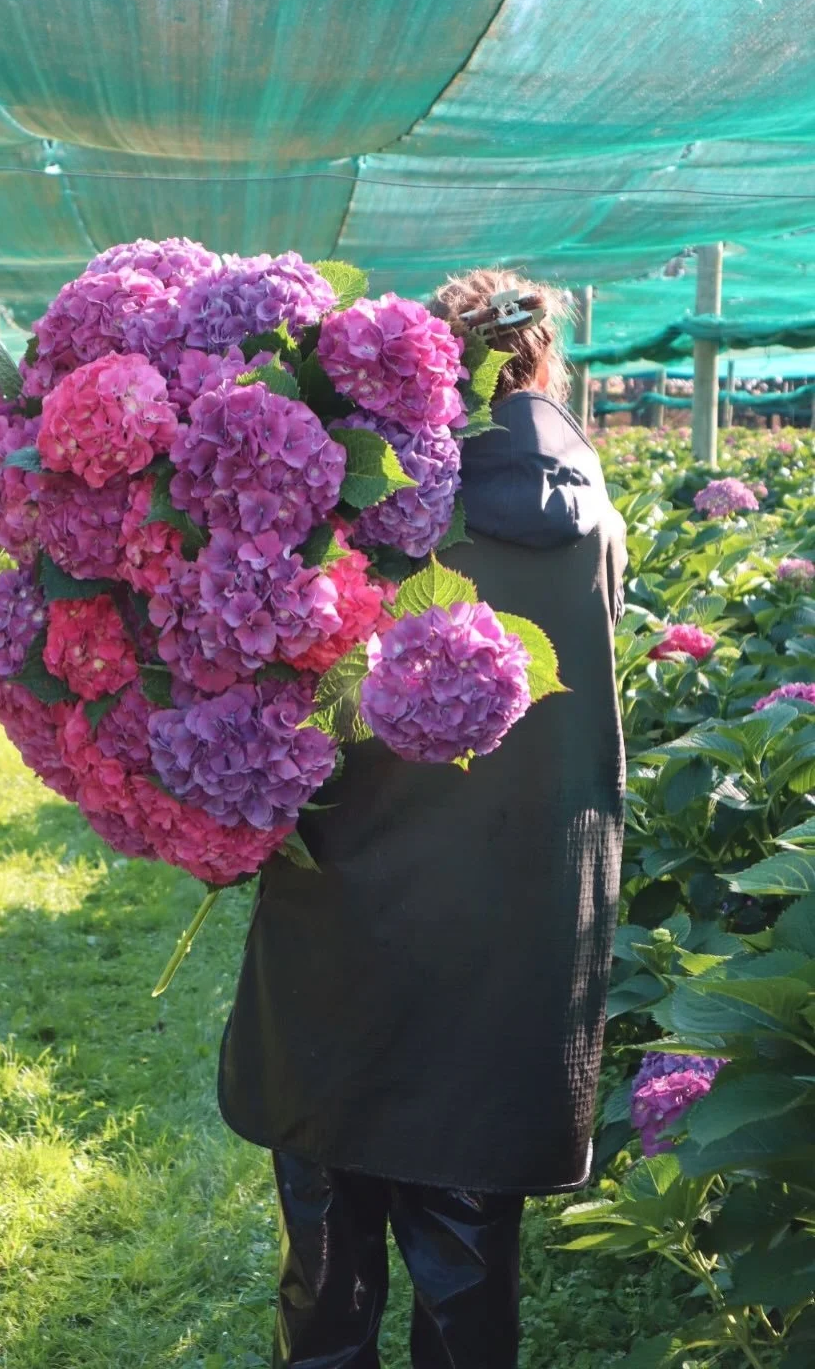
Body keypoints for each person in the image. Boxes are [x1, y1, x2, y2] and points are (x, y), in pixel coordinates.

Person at [217, 268, 628, 1368]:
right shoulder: (592, 505)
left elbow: (286, 668)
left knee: (329, 1233)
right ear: (545, 361)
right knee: (466, 1245)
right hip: (520, 907)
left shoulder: (377, 495)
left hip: (351, 896)